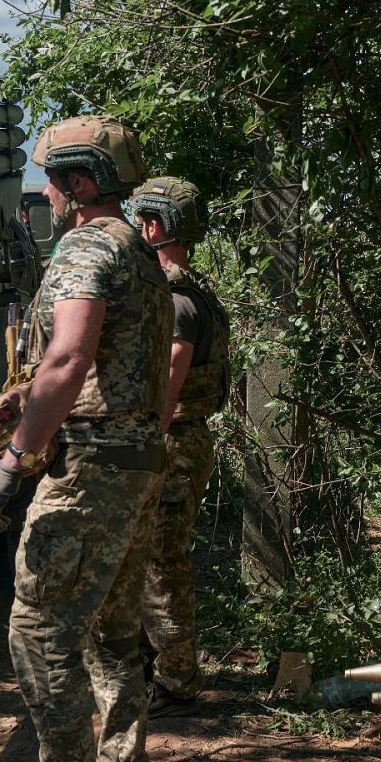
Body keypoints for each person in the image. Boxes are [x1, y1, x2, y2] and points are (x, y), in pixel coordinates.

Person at [0, 115, 173, 762]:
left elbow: (67, 355)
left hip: (91, 468)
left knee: (40, 636)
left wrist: (13, 462)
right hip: (138, 463)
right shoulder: (143, 255)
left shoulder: (87, 249)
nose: (47, 197)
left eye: (51, 184)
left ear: (79, 182)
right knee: (114, 636)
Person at [129, 177, 230, 718]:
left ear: (153, 226)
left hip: (172, 442)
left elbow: (168, 382)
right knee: (153, 556)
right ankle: (158, 665)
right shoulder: (195, 290)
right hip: (180, 441)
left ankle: (176, 680)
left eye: (143, 222)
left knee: (161, 561)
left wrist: (144, 440)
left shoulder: (177, 302)